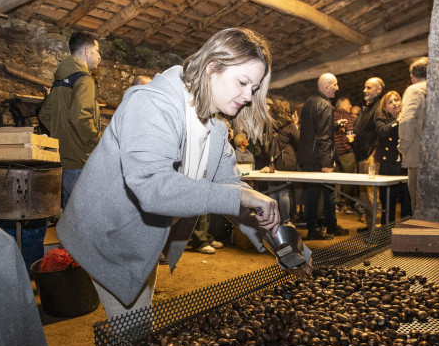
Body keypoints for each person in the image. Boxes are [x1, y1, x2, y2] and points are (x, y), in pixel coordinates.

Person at [57, 28, 311, 318]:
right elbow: (153, 187)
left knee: (133, 325)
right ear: (212, 67)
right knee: (131, 332)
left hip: (144, 239)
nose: (248, 97)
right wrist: (239, 195)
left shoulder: (215, 130)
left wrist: (292, 248)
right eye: (242, 82)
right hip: (107, 235)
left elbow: (231, 192)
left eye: (253, 89)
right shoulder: (152, 103)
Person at [39, 32, 103, 210]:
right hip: (79, 160)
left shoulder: (60, 80)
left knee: (69, 214)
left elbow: (45, 114)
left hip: (62, 159)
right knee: (82, 216)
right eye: (97, 51)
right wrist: (96, 141)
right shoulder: (84, 79)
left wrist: (62, 135)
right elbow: (80, 116)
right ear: (88, 50)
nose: (100, 57)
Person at [297, 73, 348, 240]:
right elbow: (323, 137)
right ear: (326, 87)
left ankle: (322, 227)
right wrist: (327, 162)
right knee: (328, 194)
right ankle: (320, 229)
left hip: (307, 157)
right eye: (335, 85)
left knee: (312, 196)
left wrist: (333, 124)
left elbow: (314, 129)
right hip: (319, 159)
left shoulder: (309, 102)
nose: (337, 88)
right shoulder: (325, 105)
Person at [373, 91, 412, 224]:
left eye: (397, 100)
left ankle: (407, 234)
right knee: (388, 204)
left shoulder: (409, 118)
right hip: (388, 166)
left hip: (405, 164)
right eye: (390, 102)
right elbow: (383, 132)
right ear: (384, 108)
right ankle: (386, 236)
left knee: (407, 202)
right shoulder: (381, 119)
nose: (395, 103)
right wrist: (399, 121)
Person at [398, 57, 428, 214]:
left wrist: (402, 146)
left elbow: (407, 120)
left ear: (412, 76)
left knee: (418, 203)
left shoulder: (414, 90)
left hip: (419, 154)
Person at [353, 77, 384, 226]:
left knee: (372, 195)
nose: (364, 90)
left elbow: (381, 133)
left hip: (371, 157)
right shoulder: (368, 107)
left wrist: (373, 154)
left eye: (369, 88)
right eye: (365, 87)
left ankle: (376, 229)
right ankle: (369, 226)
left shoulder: (379, 107)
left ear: (378, 89)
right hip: (363, 156)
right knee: (365, 195)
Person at [267, 97, 299, 223]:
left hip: (271, 159)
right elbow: (298, 140)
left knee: (272, 190)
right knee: (284, 192)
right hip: (286, 159)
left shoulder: (269, 122)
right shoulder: (290, 124)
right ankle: (285, 221)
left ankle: (273, 219)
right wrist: (295, 125)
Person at [333, 97, 358, 212]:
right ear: (342, 105)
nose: (350, 106)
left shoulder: (332, 115)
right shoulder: (347, 117)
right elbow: (350, 134)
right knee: (349, 179)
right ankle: (349, 205)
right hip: (346, 152)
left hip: (334, 153)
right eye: (348, 104)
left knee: (337, 179)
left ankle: (337, 204)